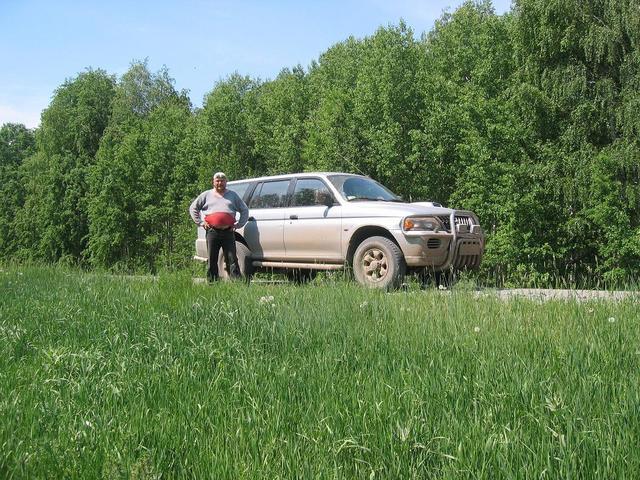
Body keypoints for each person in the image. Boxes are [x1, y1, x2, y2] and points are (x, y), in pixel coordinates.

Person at [189, 171, 249, 282]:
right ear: (213, 182)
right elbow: (193, 208)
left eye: (222, 181)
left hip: (228, 232)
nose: (220, 183)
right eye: (217, 181)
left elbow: (244, 210)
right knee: (212, 258)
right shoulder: (206, 195)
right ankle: (212, 281)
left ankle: (237, 282)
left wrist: (239, 224)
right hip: (212, 232)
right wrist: (201, 223)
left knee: (232, 258)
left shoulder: (232, 195)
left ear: (226, 182)